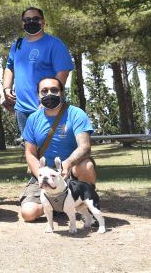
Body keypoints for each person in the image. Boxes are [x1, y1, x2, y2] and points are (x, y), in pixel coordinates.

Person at [20, 76, 96, 223]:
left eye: (54, 90)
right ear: (38, 95)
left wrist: (67, 164)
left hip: (71, 173)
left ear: (62, 93)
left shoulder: (76, 113)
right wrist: (42, 177)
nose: (49, 94)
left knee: (86, 165)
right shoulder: (33, 119)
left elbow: (85, 147)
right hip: (46, 174)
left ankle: (86, 207)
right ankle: (59, 205)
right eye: (44, 91)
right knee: (28, 213)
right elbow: (29, 153)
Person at [2, 7, 74, 134]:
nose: (31, 22)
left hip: (48, 108)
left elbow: (63, 72)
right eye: (27, 19)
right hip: (22, 110)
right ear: (22, 23)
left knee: (52, 149)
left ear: (43, 22)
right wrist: (6, 88)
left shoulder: (55, 44)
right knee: (29, 150)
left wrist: (49, 99)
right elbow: (9, 67)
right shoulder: (17, 45)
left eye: (36, 19)